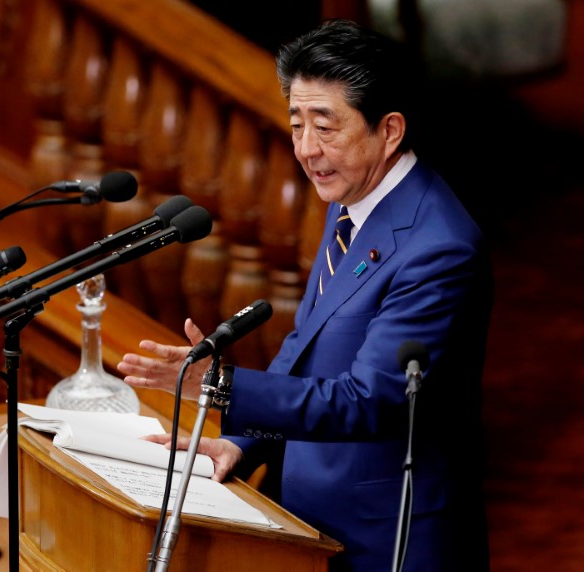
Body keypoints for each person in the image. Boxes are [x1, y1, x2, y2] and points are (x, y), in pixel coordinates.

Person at [117, 18, 492, 572]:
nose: (306, 150)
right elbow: (307, 342)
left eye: (326, 126)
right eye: (297, 125)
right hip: (312, 520)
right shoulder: (351, 199)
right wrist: (242, 441)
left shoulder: (440, 248)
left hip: (391, 538)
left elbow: (368, 400)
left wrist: (218, 387)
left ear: (389, 130)